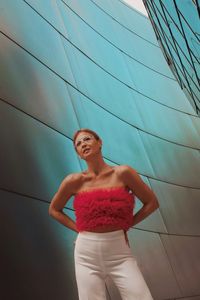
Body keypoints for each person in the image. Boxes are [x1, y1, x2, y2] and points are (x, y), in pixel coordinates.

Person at [49, 128, 159, 300]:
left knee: (141, 297)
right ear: (78, 154)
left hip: (119, 252)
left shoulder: (123, 173)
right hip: (86, 253)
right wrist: (79, 229)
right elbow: (54, 209)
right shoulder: (74, 181)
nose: (83, 144)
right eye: (78, 144)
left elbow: (152, 203)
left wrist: (127, 225)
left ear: (99, 143)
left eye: (87, 139)